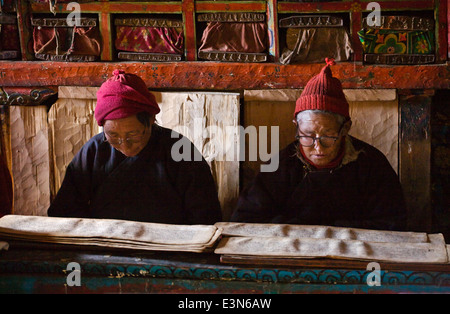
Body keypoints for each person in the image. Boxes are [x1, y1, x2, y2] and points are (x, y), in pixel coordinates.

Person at [231, 58, 407, 231]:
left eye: (328, 136)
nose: (318, 148)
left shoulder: (371, 165)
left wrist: (333, 230)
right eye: (307, 136)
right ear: (297, 126)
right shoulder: (281, 165)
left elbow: (393, 223)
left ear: (345, 128)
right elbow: (246, 219)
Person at [48, 70, 222, 224]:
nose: (125, 145)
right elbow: (64, 211)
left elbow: (205, 217)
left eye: (133, 135)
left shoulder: (180, 151)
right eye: (113, 136)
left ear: (151, 121)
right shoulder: (94, 151)